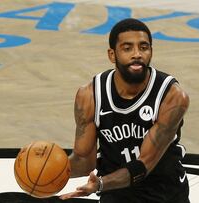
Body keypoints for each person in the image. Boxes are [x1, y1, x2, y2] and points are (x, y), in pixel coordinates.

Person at [60, 18, 190, 203]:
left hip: (164, 194)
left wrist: (100, 184)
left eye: (143, 47)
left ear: (151, 51)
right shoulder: (89, 96)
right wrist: (49, 171)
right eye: (127, 48)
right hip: (115, 196)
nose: (137, 54)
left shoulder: (172, 97)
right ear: (112, 55)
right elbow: (83, 160)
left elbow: (143, 166)